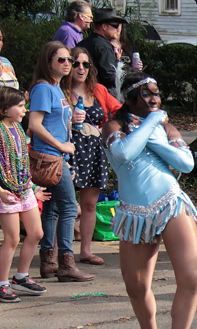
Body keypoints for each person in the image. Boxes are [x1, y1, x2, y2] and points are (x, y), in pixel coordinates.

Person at [102, 72, 197, 329]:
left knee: (190, 277)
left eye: (156, 94)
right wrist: (150, 126)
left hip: (170, 204)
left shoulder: (164, 128)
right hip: (134, 214)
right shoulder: (115, 127)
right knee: (136, 285)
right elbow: (124, 154)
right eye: (145, 95)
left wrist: (158, 135)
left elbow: (186, 163)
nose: (154, 99)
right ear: (129, 100)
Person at [29, 41, 95, 282]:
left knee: (53, 207)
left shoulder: (58, 89)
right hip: (50, 156)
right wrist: (61, 147)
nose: (68, 63)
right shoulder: (44, 88)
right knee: (69, 207)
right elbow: (34, 125)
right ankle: (66, 262)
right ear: (48, 63)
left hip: (58, 157)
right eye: (62, 60)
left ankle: (49, 262)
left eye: (69, 59)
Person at [61, 47, 121, 266]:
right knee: (63, 204)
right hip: (67, 149)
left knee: (89, 204)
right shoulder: (60, 90)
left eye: (86, 64)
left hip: (93, 150)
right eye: (76, 63)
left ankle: (85, 251)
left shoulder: (98, 90)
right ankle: (60, 251)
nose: (80, 68)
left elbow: (119, 109)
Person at [0, 87, 47, 303]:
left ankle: (21, 276)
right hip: (5, 192)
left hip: (23, 188)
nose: (24, 110)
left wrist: (33, 188)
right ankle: (2, 283)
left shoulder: (18, 129)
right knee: (12, 238)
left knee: (36, 233)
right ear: (4, 109)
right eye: (19, 106)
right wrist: (1, 191)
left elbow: (21, 163)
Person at [76, 8, 127, 98]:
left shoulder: (83, 42)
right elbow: (110, 77)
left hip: (81, 92)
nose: (118, 29)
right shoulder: (104, 47)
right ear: (104, 26)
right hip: (101, 96)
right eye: (115, 26)